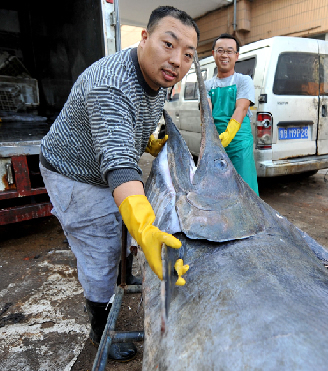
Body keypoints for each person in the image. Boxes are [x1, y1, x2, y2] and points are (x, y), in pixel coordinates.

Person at [39, 7, 199, 361]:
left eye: (188, 55)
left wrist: (147, 142)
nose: (176, 60)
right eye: (168, 44)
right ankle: (98, 320)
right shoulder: (110, 85)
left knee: (119, 235)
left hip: (102, 167)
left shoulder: (157, 78)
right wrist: (145, 228)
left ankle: (116, 275)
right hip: (73, 172)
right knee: (101, 248)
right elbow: (118, 164)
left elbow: (127, 129)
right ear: (144, 37)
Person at [205, 34, 259, 195]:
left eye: (229, 51)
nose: (224, 55)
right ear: (213, 53)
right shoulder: (207, 85)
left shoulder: (244, 81)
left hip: (239, 144)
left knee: (245, 188)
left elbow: (241, 109)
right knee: (218, 190)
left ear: (236, 56)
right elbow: (206, 114)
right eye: (220, 50)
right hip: (215, 144)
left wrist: (229, 135)